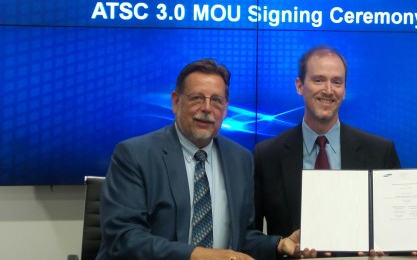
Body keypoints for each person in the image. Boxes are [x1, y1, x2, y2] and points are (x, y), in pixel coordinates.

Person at [96, 58, 311, 260]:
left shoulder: (241, 160)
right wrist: (200, 255)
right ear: (176, 102)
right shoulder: (134, 155)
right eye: (197, 98)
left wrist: (279, 244)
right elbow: (124, 238)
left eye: (216, 101)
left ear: (225, 109)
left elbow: (242, 239)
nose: (207, 108)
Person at [253, 45, 401, 239]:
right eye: (319, 80)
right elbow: (250, 237)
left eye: (337, 82)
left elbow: (396, 229)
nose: (328, 90)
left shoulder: (381, 152)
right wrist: (280, 244)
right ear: (299, 85)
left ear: (344, 90)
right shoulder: (266, 155)